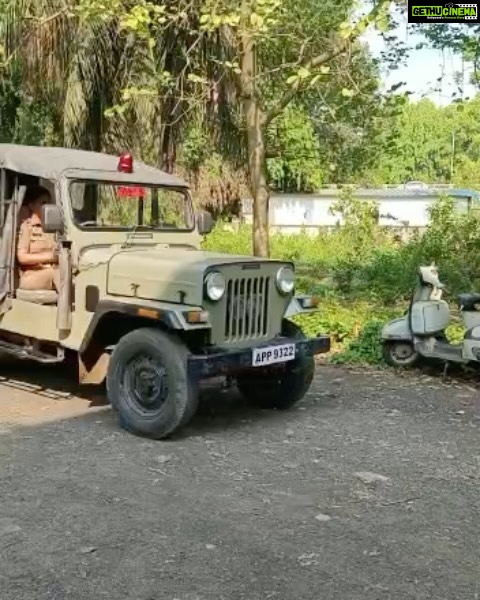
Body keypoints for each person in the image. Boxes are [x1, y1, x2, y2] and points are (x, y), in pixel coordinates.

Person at [16, 186, 60, 291]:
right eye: (43, 203)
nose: (47, 207)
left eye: (49, 204)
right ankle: (70, 306)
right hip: (32, 275)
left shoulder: (53, 228)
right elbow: (22, 257)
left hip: (52, 271)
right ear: (31, 205)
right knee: (58, 274)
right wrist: (49, 257)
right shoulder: (27, 227)